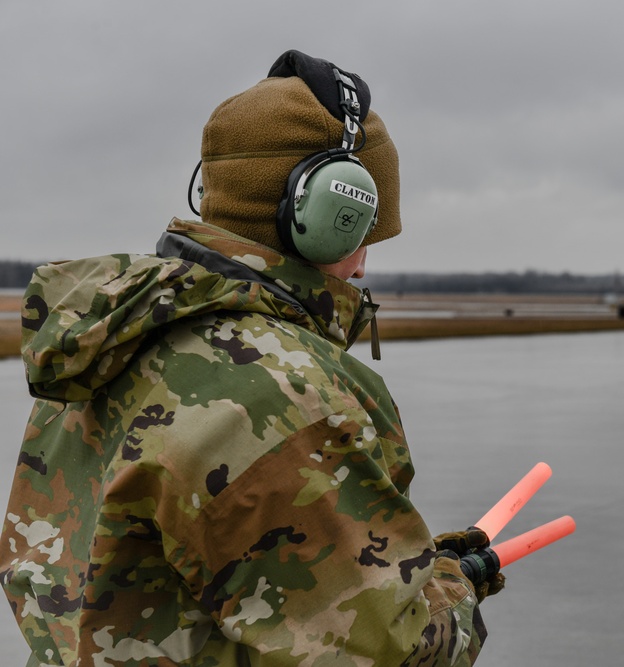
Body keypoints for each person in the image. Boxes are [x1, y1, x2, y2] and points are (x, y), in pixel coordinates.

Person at [0, 50, 502, 666]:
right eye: (361, 231)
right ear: (323, 217)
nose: (365, 261)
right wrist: (454, 588)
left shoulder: (107, 339)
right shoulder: (281, 396)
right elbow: (388, 653)